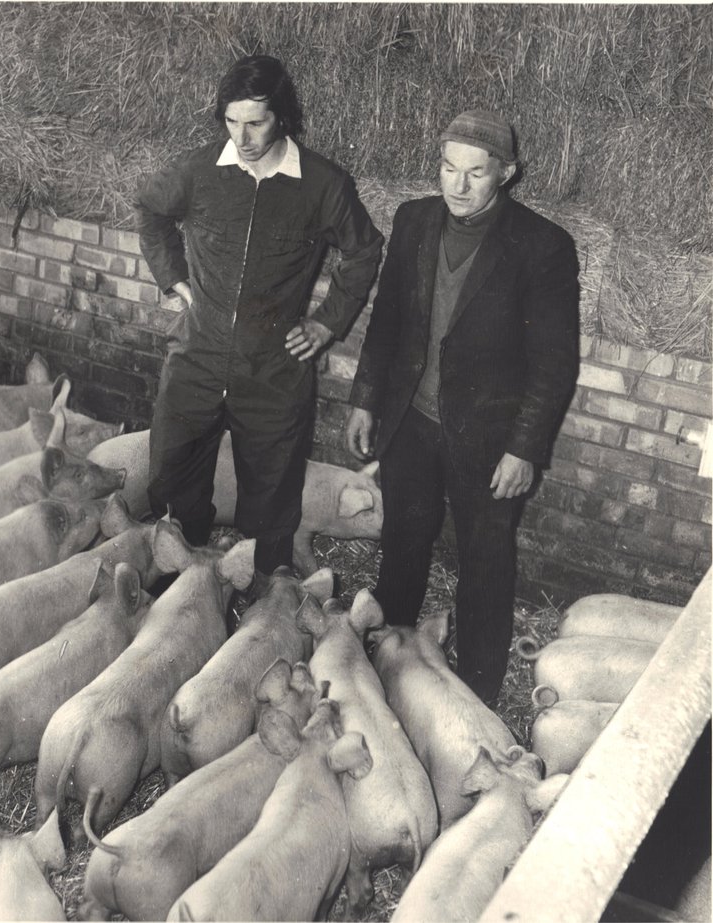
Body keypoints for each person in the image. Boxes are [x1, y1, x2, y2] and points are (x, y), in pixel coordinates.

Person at [346, 109, 580, 702]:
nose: (458, 185)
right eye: (449, 168)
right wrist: (367, 400)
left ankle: (476, 689)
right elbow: (388, 321)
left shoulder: (542, 246)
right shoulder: (413, 220)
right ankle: (387, 657)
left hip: (489, 441)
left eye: (476, 173)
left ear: (507, 173)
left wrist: (524, 448)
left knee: (484, 563)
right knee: (402, 541)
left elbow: (554, 364)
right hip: (412, 425)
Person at [136, 54, 383, 576]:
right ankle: (182, 596)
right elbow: (151, 210)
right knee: (172, 485)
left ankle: (259, 617)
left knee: (270, 506)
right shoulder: (200, 171)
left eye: (256, 122)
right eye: (231, 121)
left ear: (283, 117)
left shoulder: (322, 183)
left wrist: (326, 322)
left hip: (273, 372)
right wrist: (174, 280)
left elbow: (364, 251)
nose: (242, 137)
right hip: (196, 359)